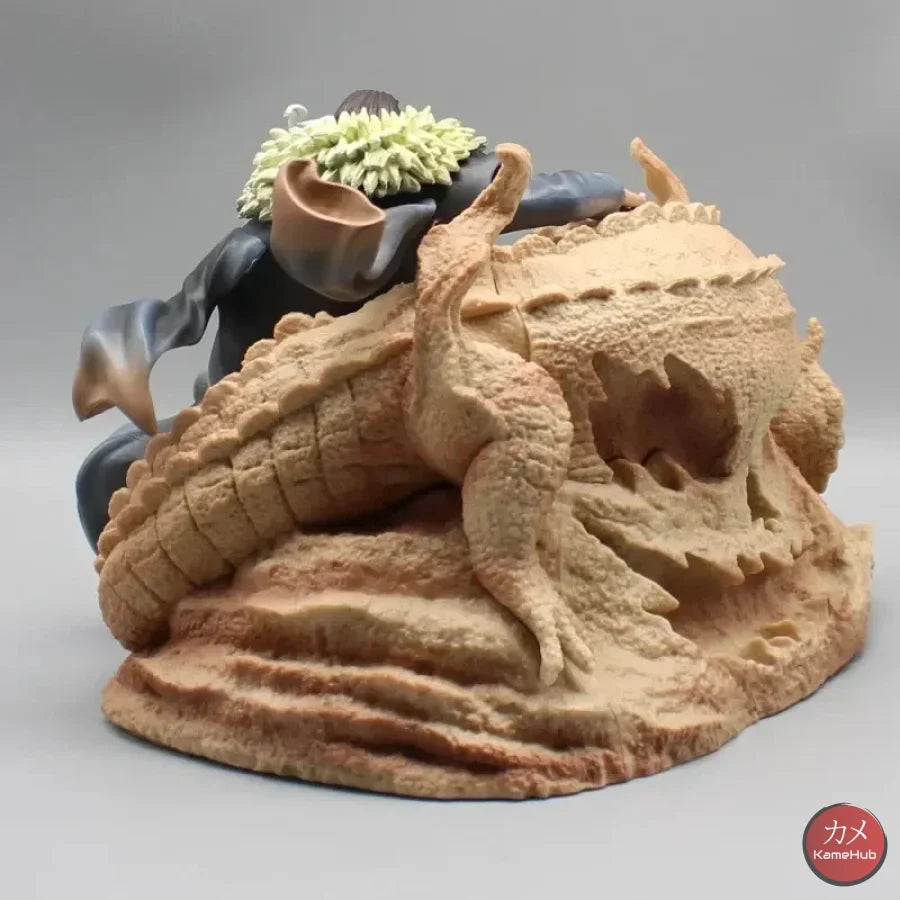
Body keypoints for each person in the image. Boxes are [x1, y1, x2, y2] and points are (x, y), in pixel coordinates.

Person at [73, 89, 638, 550]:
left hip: (398, 411)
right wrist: (124, 360)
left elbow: (542, 191)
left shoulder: (434, 201)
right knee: (109, 471)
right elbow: (173, 315)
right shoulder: (258, 247)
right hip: (256, 414)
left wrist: (617, 200)